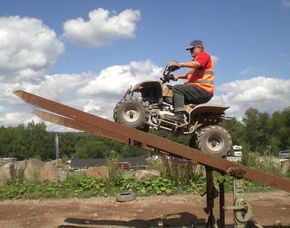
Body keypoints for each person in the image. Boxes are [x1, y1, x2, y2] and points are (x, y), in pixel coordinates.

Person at [165, 40, 214, 123]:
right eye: (189, 50)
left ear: (199, 48)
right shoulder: (194, 61)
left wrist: (180, 64)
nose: (190, 52)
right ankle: (183, 120)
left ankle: (179, 116)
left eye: (192, 49)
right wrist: (176, 77)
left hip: (204, 90)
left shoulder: (204, 55)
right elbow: (189, 75)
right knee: (172, 99)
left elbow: (198, 64)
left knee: (177, 89)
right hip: (198, 89)